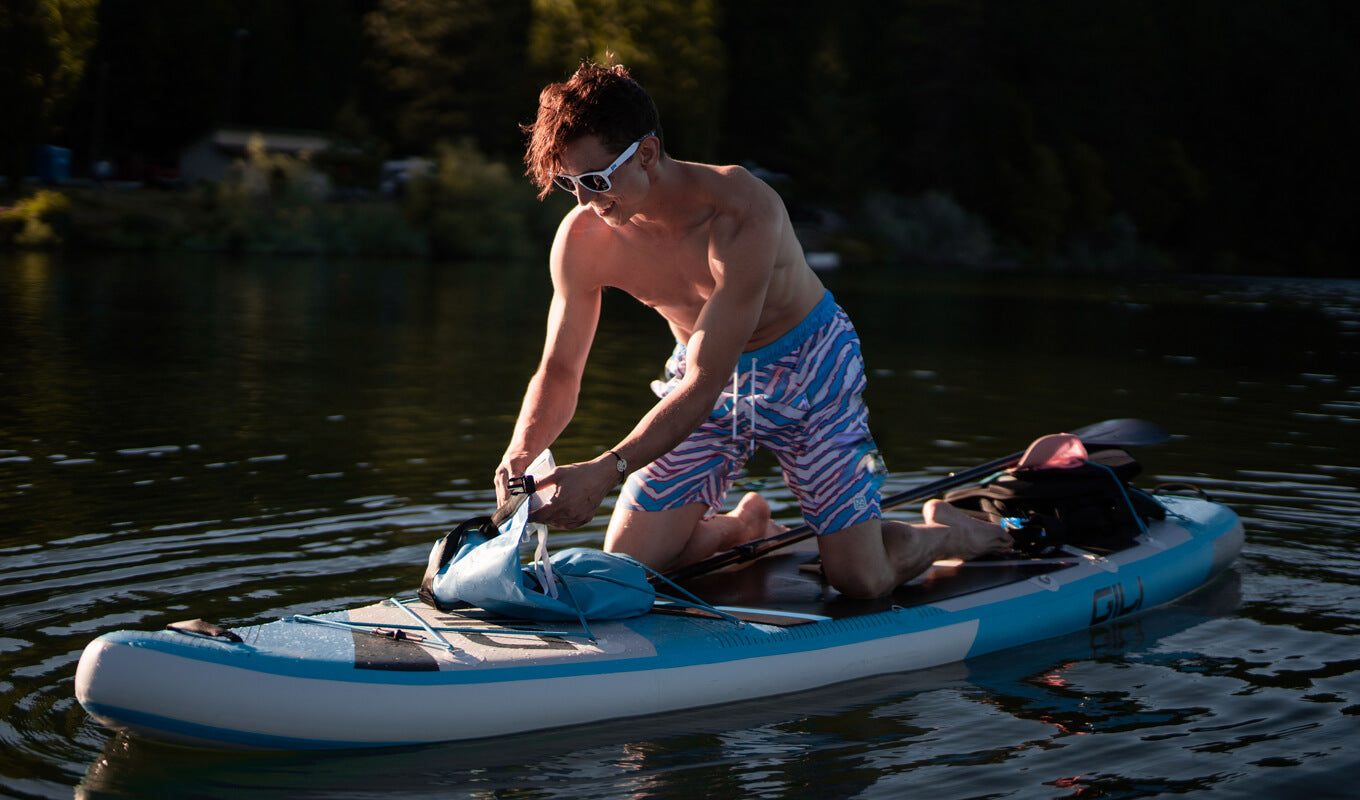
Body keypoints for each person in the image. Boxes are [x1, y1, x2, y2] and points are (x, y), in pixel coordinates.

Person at [495, 62, 1011, 599]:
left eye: (596, 181)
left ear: (646, 154)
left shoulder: (741, 210)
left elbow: (704, 380)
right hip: (699, 369)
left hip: (809, 370)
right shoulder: (582, 239)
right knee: (631, 567)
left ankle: (950, 531)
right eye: (567, 182)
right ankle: (746, 526)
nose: (583, 200)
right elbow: (560, 368)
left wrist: (609, 468)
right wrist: (521, 451)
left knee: (860, 580)